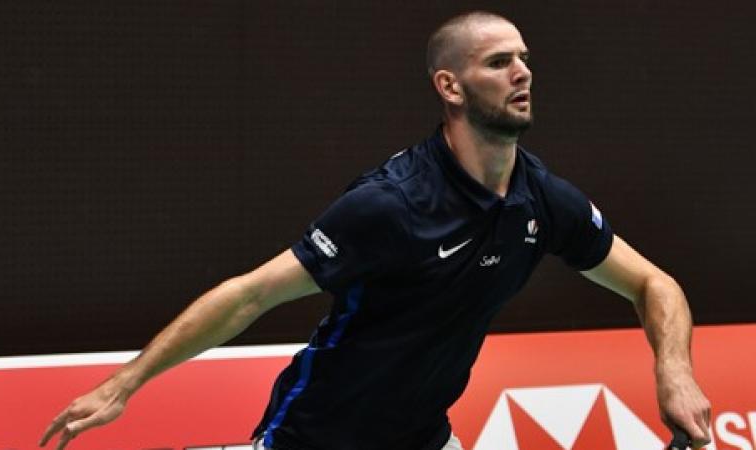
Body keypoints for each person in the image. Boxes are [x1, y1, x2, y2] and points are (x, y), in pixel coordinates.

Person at [40, 11, 712, 450]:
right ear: (450, 87)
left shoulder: (543, 200)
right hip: (319, 436)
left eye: (525, 58)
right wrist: (122, 384)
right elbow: (249, 295)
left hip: (424, 437)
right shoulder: (391, 204)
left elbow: (655, 284)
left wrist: (675, 372)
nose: (523, 72)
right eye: (499, 62)